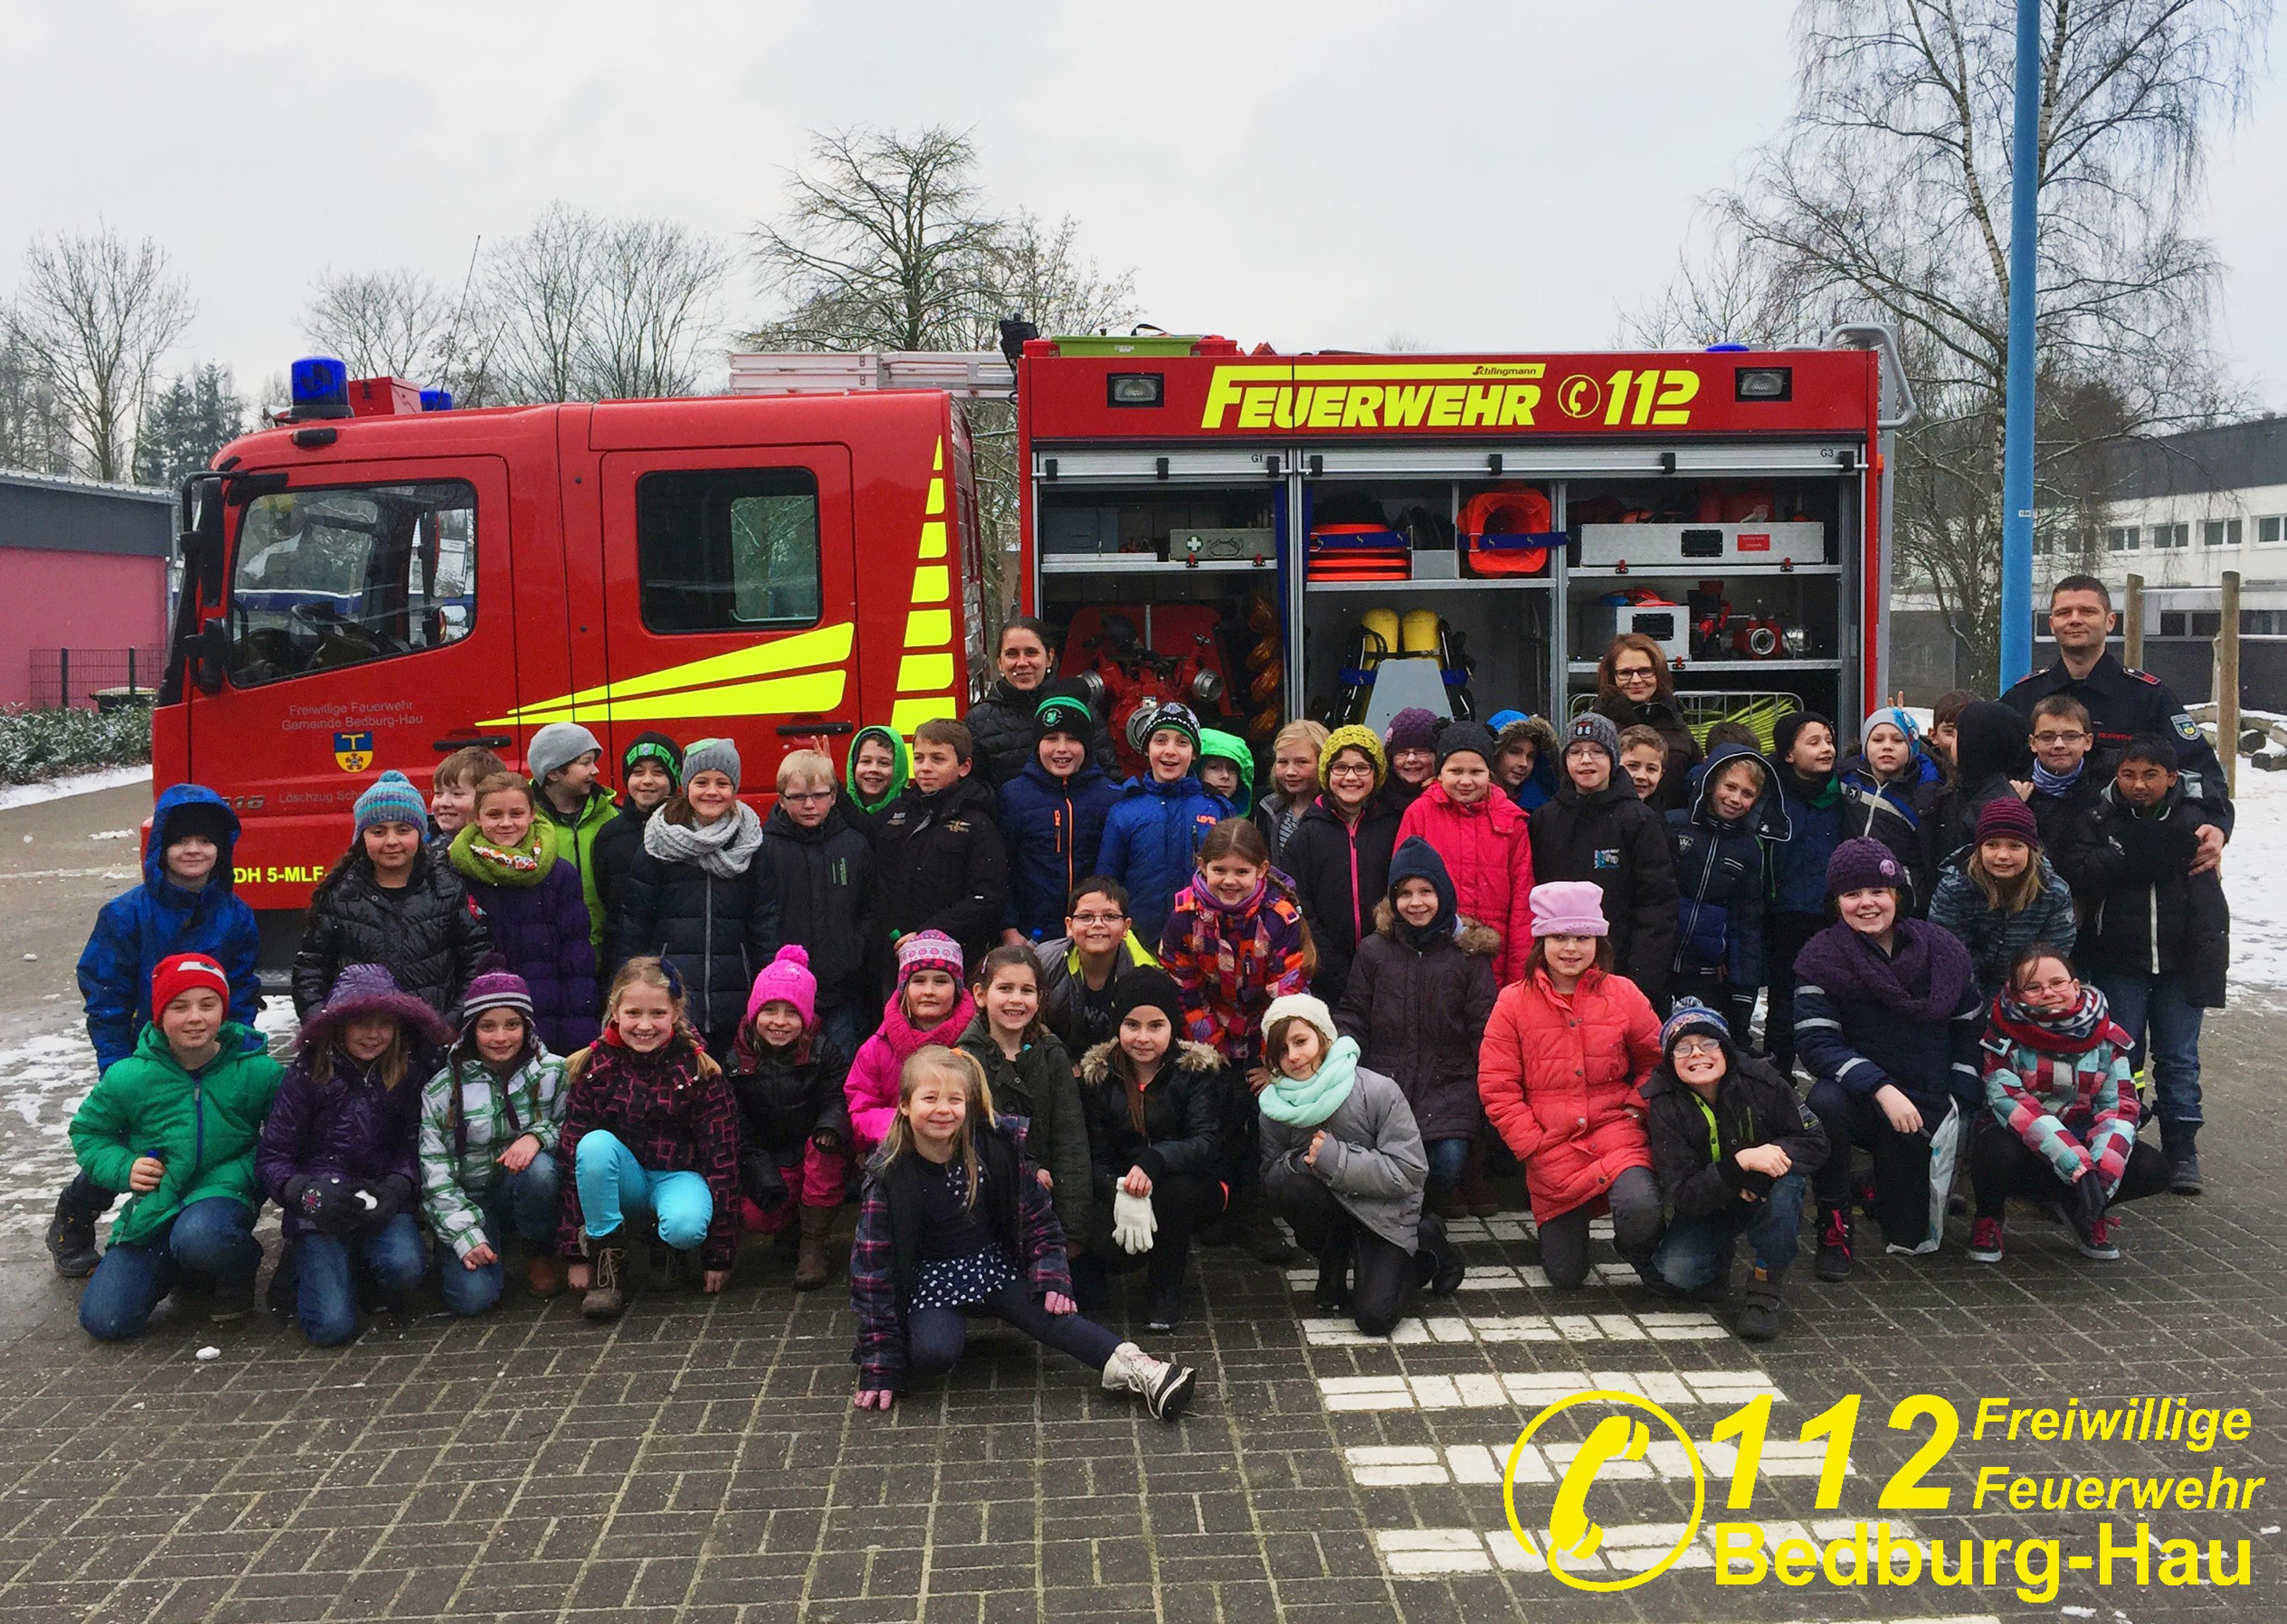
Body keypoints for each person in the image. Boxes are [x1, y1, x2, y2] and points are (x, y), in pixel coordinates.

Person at [848, 1045, 1197, 1420]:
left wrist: (1052, 1274)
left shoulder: (993, 1149)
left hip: (993, 1266)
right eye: (930, 1099)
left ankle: (1145, 1371)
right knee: (934, 1354)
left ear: (969, 1105)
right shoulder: (888, 1175)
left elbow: (1036, 1217)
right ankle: (925, 1331)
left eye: (955, 1100)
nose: (943, 1110)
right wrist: (881, 1361)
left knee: (1056, 1316)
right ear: (904, 1105)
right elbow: (872, 1274)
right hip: (929, 1281)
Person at [54, 784, 261, 1279]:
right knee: (133, 1140)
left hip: (207, 1051)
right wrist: (116, 1064)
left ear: (221, 849)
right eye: (181, 841)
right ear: (160, 848)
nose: (194, 850)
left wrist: (234, 1048)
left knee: (198, 1136)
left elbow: (242, 989)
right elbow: (106, 995)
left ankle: (190, 1228)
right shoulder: (127, 914)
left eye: (205, 841)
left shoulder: (234, 913)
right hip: (143, 1052)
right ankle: (75, 1216)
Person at [1795, 839, 1983, 1277]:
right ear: (1836, 902)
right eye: (1852, 894)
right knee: (1823, 1103)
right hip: (1864, 1098)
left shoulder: (1943, 948)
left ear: (1897, 894)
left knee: (1910, 1236)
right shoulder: (1821, 957)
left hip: (1928, 1101)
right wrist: (1882, 1088)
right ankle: (1834, 1221)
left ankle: (1879, 1185)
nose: (1867, 903)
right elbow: (1817, 1042)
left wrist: (1959, 1098)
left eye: (1877, 891)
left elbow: (1971, 1027)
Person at [70, 953, 283, 1340]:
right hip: (157, 1203)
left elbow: (287, 1137)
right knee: (105, 1320)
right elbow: (89, 1133)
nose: (195, 1018)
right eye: (179, 1007)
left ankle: (234, 1269)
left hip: (224, 1194)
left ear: (224, 1010)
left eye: (208, 1004)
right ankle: (182, 1270)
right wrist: (124, 1167)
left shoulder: (258, 1071)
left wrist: (249, 1172)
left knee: (200, 1237)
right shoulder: (130, 1077)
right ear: (159, 1015)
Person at [1476, 882, 1664, 1289]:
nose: (1571, 948)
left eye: (1582, 937)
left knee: (1641, 1208)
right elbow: (1498, 1085)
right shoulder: (1512, 1002)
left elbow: (1657, 1062)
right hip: (1553, 1148)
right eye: (1559, 937)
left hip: (1617, 1136)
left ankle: (1638, 1247)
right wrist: (1532, 1144)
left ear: (1598, 941)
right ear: (1541, 941)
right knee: (1566, 1275)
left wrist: (1637, 1108)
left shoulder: (1624, 994)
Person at [258, 964, 448, 1346]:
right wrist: (306, 1194)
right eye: (361, 1023)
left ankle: (360, 1269)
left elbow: (415, 1141)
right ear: (339, 1025)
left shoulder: (409, 1072)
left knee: (404, 1267)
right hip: (321, 1202)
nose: (373, 1035)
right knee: (330, 1328)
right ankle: (302, 1266)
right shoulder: (308, 1073)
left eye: (384, 1024)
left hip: (380, 1194)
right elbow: (273, 1156)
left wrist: (398, 1187)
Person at [1259, 993, 1462, 1334]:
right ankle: (1333, 1258)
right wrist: (1300, 1162)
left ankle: (1426, 1245)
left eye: (1301, 1042)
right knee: (1293, 1185)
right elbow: (1270, 1179)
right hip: (1334, 1212)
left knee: (1374, 1318)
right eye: (1281, 1050)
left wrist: (1335, 1159)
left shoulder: (1378, 1090)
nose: (1293, 1057)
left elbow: (1410, 1172)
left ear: (1324, 1037)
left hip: (1384, 1215)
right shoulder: (1275, 1106)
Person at [1159, 816, 1310, 1266]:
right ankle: (1217, 1208)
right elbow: (1183, 987)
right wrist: (1212, 1048)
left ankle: (1256, 1214)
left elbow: (1288, 997)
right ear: (1201, 866)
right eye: (1220, 870)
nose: (1230, 880)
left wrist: (1271, 1063)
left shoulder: (1280, 919)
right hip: (1207, 1033)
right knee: (1215, 1118)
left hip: (1266, 1029)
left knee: (1259, 1123)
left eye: (1242, 871)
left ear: (1261, 870)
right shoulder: (1183, 916)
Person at [2002, 575, 2232, 871]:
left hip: (2123, 865)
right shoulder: (2022, 698)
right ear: (2052, 624)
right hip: (2035, 861)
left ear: (2110, 621)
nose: (2075, 620)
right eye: (2064, 612)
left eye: (2087, 611)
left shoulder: (2148, 698)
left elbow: (2201, 771)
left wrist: (2217, 825)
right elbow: (1990, 774)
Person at [2081, 735, 2229, 1193]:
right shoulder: (2100, 817)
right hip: (2120, 962)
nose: (2139, 785)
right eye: (2129, 775)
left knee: (2179, 1057)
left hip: (2181, 964)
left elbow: (2209, 903)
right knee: (2123, 1056)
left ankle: (2182, 1145)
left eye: (2151, 775)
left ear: (2171, 778)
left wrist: (2208, 959)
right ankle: (2122, 1136)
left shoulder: (2194, 822)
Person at [557, 957, 741, 1318]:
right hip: (622, 1181)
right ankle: (607, 1261)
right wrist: (575, 1254)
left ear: (676, 1013)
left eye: (657, 1013)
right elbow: (569, 1159)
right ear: (615, 1012)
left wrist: (719, 1255)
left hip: (677, 1177)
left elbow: (724, 1161)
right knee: (592, 1147)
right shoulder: (594, 1068)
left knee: (686, 1226)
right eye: (633, 1013)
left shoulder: (700, 1070)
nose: (645, 1025)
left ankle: (666, 1245)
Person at [1970, 946, 2172, 1264]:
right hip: (2020, 1139)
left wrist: (2101, 1174)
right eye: (2034, 987)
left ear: (2076, 986)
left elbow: (2119, 1107)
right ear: (2016, 994)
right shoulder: (2001, 1036)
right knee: (1993, 1151)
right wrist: (2077, 1166)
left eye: (2057, 983)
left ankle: (2084, 1210)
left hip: (2084, 1136)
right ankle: (1989, 1216)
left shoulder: (2107, 1036)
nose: (2048, 993)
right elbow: (2012, 1104)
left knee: (2152, 1168)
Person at [1642, 1000, 1826, 1341]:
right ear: (1669, 1061)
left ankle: (1765, 1286)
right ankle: (1718, 1257)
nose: (1697, 1054)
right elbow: (1683, 1193)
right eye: (1682, 1048)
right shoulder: (1664, 1104)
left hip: (1766, 1188)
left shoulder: (1764, 1081)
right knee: (1678, 1274)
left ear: (1726, 1048)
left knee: (1787, 1189)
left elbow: (1814, 1140)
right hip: (1711, 1198)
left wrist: (1760, 1172)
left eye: (1708, 1043)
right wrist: (1739, 1165)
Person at [1335, 838, 1498, 1216]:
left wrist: (1489, 1079)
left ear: (1443, 893)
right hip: (1386, 1083)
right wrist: (1342, 1053)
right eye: (1405, 893)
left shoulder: (1468, 956)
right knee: (1380, 1160)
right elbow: (1354, 1012)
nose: (1416, 902)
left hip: (1450, 1084)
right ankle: (1395, 1219)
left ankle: (1420, 1212)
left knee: (1446, 1164)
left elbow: (1484, 1025)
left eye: (1426, 891)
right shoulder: (1374, 950)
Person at [1074, 967, 1229, 1330]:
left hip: (1192, 1185)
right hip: (1125, 1186)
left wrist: (1155, 1160)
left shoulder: (1195, 1072)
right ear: (1118, 1026)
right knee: (1113, 1251)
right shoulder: (1099, 1078)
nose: (1143, 1038)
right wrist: (1120, 1190)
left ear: (1173, 1026)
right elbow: (1094, 1153)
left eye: (1156, 1026)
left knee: (1173, 1195)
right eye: (1132, 1025)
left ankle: (1166, 1287)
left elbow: (1206, 1143)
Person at [612, 738, 780, 1059]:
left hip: (735, 992)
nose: (711, 792)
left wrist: (768, 986)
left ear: (735, 788)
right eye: (701, 782)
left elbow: (764, 922)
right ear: (686, 785)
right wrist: (626, 987)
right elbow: (635, 924)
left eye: (722, 783)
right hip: (669, 997)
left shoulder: (752, 844)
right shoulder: (659, 844)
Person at [416, 970, 568, 1315]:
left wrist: (538, 1136)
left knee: (541, 1171)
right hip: (468, 1198)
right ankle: (457, 1248)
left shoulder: (554, 1072)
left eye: (512, 1025)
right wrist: (465, 1235)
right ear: (471, 1031)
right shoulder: (442, 1090)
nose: (501, 1037)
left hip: (520, 1188)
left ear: (527, 1027)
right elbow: (435, 1173)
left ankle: (537, 1250)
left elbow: (573, 1126)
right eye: (488, 1027)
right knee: (474, 1300)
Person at [292, 771, 493, 1021]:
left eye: (403, 830)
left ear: (420, 834)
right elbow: (311, 970)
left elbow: (476, 962)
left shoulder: (447, 889)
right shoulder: (342, 895)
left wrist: (451, 1023)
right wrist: (323, 1025)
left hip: (433, 1035)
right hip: (363, 1036)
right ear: (362, 837)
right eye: (378, 832)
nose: (391, 841)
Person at [1528, 713, 1678, 1005]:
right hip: (1558, 967)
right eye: (1575, 752)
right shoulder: (1545, 820)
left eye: (1597, 751)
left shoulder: (1639, 820)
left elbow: (1658, 905)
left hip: (1620, 968)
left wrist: (1641, 978)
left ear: (1613, 759)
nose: (1586, 760)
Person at [726, 946, 853, 1291]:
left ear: (807, 1018)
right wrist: (761, 1173)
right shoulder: (736, 1061)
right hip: (770, 1156)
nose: (780, 1022)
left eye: (792, 1013)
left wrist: (831, 1126)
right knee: (755, 1214)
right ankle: (789, 1227)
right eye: (770, 1010)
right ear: (754, 1012)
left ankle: (814, 1242)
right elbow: (739, 1126)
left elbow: (839, 1095)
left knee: (824, 1154)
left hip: (814, 1149)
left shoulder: (823, 1051)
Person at [446, 772, 599, 1055]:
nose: (506, 823)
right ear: (477, 818)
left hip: (547, 1018)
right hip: (481, 1022)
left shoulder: (559, 874)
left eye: (516, 813)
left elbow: (577, 961)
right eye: (494, 815)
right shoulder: (455, 872)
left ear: (532, 815)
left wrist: (579, 1035)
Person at [958, 945, 1092, 1253]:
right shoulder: (965, 1059)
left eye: (1027, 990)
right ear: (981, 995)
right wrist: (1026, 1171)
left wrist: (1073, 1229)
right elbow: (971, 1143)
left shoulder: (1052, 1053)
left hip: (1049, 1204)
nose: (1016, 999)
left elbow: (1070, 1138)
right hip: (989, 1206)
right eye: (1005, 988)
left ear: (1040, 998)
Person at [759, 749, 879, 1060]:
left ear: (834, 796)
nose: (810, 805)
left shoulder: (854, 845)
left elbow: (869, 908)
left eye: (819, 795)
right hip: (784, 990)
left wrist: (853, 951)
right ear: (782, 800)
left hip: (842, 988)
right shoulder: (765, 847)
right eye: (798, 797)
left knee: (841, 1063)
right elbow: (761, 914)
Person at [1398, 720, 1537, 986]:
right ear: (1440, 773)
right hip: (1434, 956)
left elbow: (1522, 903)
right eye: (1455, 771)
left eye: (1476, 772)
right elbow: (1403, 891)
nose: (1466, 781)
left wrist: (1519, 977)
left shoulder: (1512, 821)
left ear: (1489, 773)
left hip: (1494, 959)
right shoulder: (1420, 814)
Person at [1667, 743, 1787, 1040]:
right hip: (1659, 960)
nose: (1736, 799)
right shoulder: (1673, 825)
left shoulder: (1750, 849)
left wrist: (1743, 992)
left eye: (1748, 794)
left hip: (1706, 973)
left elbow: (1747, 923)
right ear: (1710, 784)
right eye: (1730, 787)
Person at [873, 716, 1009, 971]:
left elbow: (986, 897)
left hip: (954, 955)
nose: (925, 768)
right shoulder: (898, 811)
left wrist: (928, 934)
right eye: (919, 758)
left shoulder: (977, 821)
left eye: (938, 759)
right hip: (896, 950)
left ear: (964, 767)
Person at [1283, 725, 1403, 1003]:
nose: (1351, 777)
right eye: (1340, 768)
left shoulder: (1393, 828)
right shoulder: (1306, 837)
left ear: (1376, 775)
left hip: (1387, 969)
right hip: (1325, 977)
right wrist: (1332, 968)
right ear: (1327, 774)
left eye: (1362, 768)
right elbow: (1300, 906)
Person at [1096, 702, 1228, 943]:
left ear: (1195, 753)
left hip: (1204, 942)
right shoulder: (1124, 811)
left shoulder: (1217, 809)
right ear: (1147, 749)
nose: (1170, 751)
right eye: (1160, 740)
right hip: (1139, 942)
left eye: (1182, 742)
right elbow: (1107, 885)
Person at [998, 694, 1121, 946]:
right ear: (1037, 744)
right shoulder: (1013, 796)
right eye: (1051, 738)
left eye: (1073, 739)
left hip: (1094, 933)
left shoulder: (1110, 797)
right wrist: (1009, 927)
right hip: (1031, 934)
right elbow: (1001, 868)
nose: (1062, 749)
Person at [1928, 798, 2078, 1002]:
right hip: (1965, 990)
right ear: (1979, 848)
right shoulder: (1954, 887)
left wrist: (2015, 1002)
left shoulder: (2055, 892)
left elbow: (2052, 959)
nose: (2003, 855)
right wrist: (1980, 1005)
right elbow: (1949, 953)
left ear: (2031, 850)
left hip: (2029, 991)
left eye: (2015, 846)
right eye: (1992, 845)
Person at [1761, 713, 1845, 1074]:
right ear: (1789, 754)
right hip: (1783, 914)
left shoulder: (1846, 792)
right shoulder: (1770, 793)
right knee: (1783, 1000)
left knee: (1834, 998)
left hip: (1833, 915)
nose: (1826, 749)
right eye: (1814, 742)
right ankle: (1777, 1075)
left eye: (1829, 740)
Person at [845, 931, 979, 1157]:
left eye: (941, 981)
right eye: (918, 981)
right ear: (904, 988)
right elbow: (862, 1107)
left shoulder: (977, 1042)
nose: (929, 991)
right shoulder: (877, 1047)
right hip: (896, 1149)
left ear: (957, 988)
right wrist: (908, 1127)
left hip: (963, 1150)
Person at [962, 617, 1118, 787]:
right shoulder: (978, 721)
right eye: (1012, 654)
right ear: (1000, 662)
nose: (1022, 663)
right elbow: (974, 790)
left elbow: (1110, 776)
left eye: (1031, 652)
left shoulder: (1079, 707)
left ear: (1050, 657)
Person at [1035, 878, 1160, 1057]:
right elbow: (1032, 1024)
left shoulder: (1145, 973)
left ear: (1126, 927)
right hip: (1056, 1061)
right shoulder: (1044, 962)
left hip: (1122, 1061)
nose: (1098, 924)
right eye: (1086, 917)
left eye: (1110, 916)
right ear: (1069, 926)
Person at [526, 721, 621, 954]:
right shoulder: (526, 823)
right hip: (549, 954)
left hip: (606, 950)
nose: (595, 771)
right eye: (585, 763)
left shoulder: (610, 816)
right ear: (553, 773)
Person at [2022, 695, 2118, 914]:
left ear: (2088, 742)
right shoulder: (2014, 791)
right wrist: (2014, 808)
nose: (2059, 745)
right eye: (2047, 737)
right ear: (2033, 743)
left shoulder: (2110, 788)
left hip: (2097, 908)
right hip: (2031, 909)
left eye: (2071, 736)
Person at [1840, 706, 1939, 915]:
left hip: (1900, 898)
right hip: (1850, 891)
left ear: (1912, 748)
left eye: (1898, 740)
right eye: (1878, 740)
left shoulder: (1925, 794)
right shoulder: (1846, 777)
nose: (1887, 747)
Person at [1591, 632, 1702, 813]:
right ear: (1612, 677)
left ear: (1659, 673)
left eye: (1645, 671)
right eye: (1625, 673)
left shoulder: (1676, 722)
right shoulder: (1599, 728)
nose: (1636, 680)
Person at [1927, 700, 2034, 869]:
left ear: (1974, 743)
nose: (1953, 743)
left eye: (1957, 736)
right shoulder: (1970, 789)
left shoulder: (1990, 805)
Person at [591, 732, 683, 928]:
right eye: (638, 772)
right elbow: (605, 897)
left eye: (658, 772)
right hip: (623, 941)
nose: (647, 780)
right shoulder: (609, 834)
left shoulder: (687, 830)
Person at [1255, 719, 1331, 868]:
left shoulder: (1333, 813)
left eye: (1302, 762)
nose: (1290, 772)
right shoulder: (1269, 809)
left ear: (1323, 763)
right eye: (1283, 762)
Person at [429, 745, 505, 847]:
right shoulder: (427, 849)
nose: (443, 803)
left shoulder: (503, 851)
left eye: (457, 794)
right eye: (438, 793)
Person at [843, 724, 912, 836]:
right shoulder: (835, 814)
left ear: (899, 769)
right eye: (866, 761)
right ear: (853, 766)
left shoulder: (915, 816)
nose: (874, 769)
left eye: (884, 763)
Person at [1379, 707, 1444, 815]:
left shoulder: (1456, 796)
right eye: (1402, 753)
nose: (1411, 759)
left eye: (1421, 751)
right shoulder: (1375, 801)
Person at [1493, 713, 1561, 812]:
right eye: (1514, 752)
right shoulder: (1472, 798)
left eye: (1530, 756)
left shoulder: (1545, 809)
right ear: (1495, 752)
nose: (1524, 764)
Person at [1927, 688, 1977, 781]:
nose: (1958, 741)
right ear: (1934, 736)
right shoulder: (1920, 775)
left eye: (1969, 731)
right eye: (1950, 732)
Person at [1616, 724, 1670, 807]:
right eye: (1632, 766)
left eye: (1651, 769)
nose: (1642, 776)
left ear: (1660, 775)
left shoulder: (1656, 808)